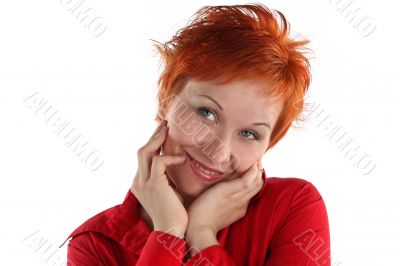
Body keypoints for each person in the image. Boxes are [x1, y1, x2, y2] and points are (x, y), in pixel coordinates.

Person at [59, 3, 331, 265]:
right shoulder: (96, 245)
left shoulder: (292, 207)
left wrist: (202, 235)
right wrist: (169, 231)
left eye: (249, 133)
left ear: (269, 143)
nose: (219, 150)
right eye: (207, 113)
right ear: (166, 100)